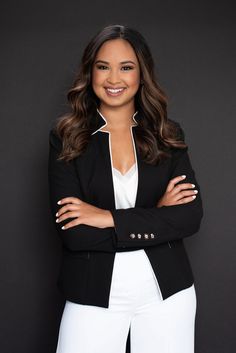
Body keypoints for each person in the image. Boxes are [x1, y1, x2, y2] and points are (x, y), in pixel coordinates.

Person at [48, 24, 203, 353]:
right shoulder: (67, 137)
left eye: (126, 67)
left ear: (141, 74)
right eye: (103, 67)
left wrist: (107, 217)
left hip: (167, 293)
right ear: (90, 72)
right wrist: (157, 215)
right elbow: (74, 233)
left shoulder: (167, 134)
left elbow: (189, 217)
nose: (113, 79)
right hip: (92, 292)